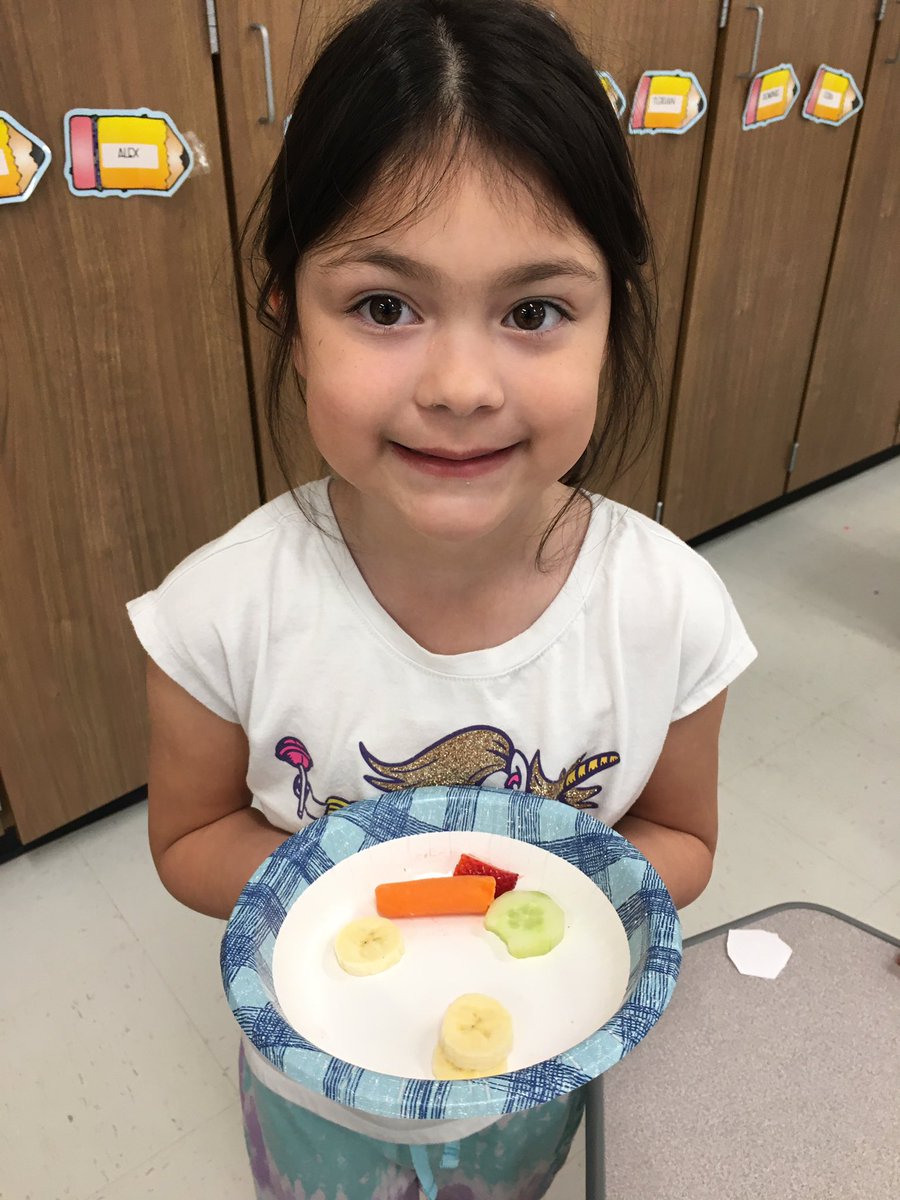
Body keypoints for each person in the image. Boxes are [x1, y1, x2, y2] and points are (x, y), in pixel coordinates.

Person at [127, 1, 757, 1196]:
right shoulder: (217, 613)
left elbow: (682, 837)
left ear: (611, 313)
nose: (463, 385)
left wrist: (537, 888)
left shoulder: (670, 609)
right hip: (319, 1090)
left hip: (535, 1078)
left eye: (534, 312)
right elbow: (190, 838)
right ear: (288, 315)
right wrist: (353, 879)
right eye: (383, 306)